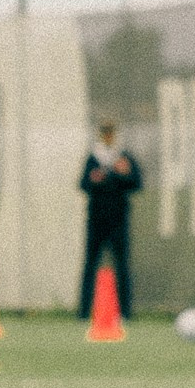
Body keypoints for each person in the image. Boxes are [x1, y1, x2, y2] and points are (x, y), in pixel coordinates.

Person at [79, 118, 144, 320]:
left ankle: (125, 312)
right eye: (105, 132)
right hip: (96, 220)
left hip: (118, 220)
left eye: (111, 132)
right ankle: (83, 312)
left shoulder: (123, 157)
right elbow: (83, 184)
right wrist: (95, 180)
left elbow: (136, 183)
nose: (108, 135)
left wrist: (121, 174)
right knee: (90, 264)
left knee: (122, 265)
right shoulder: (94, 157)